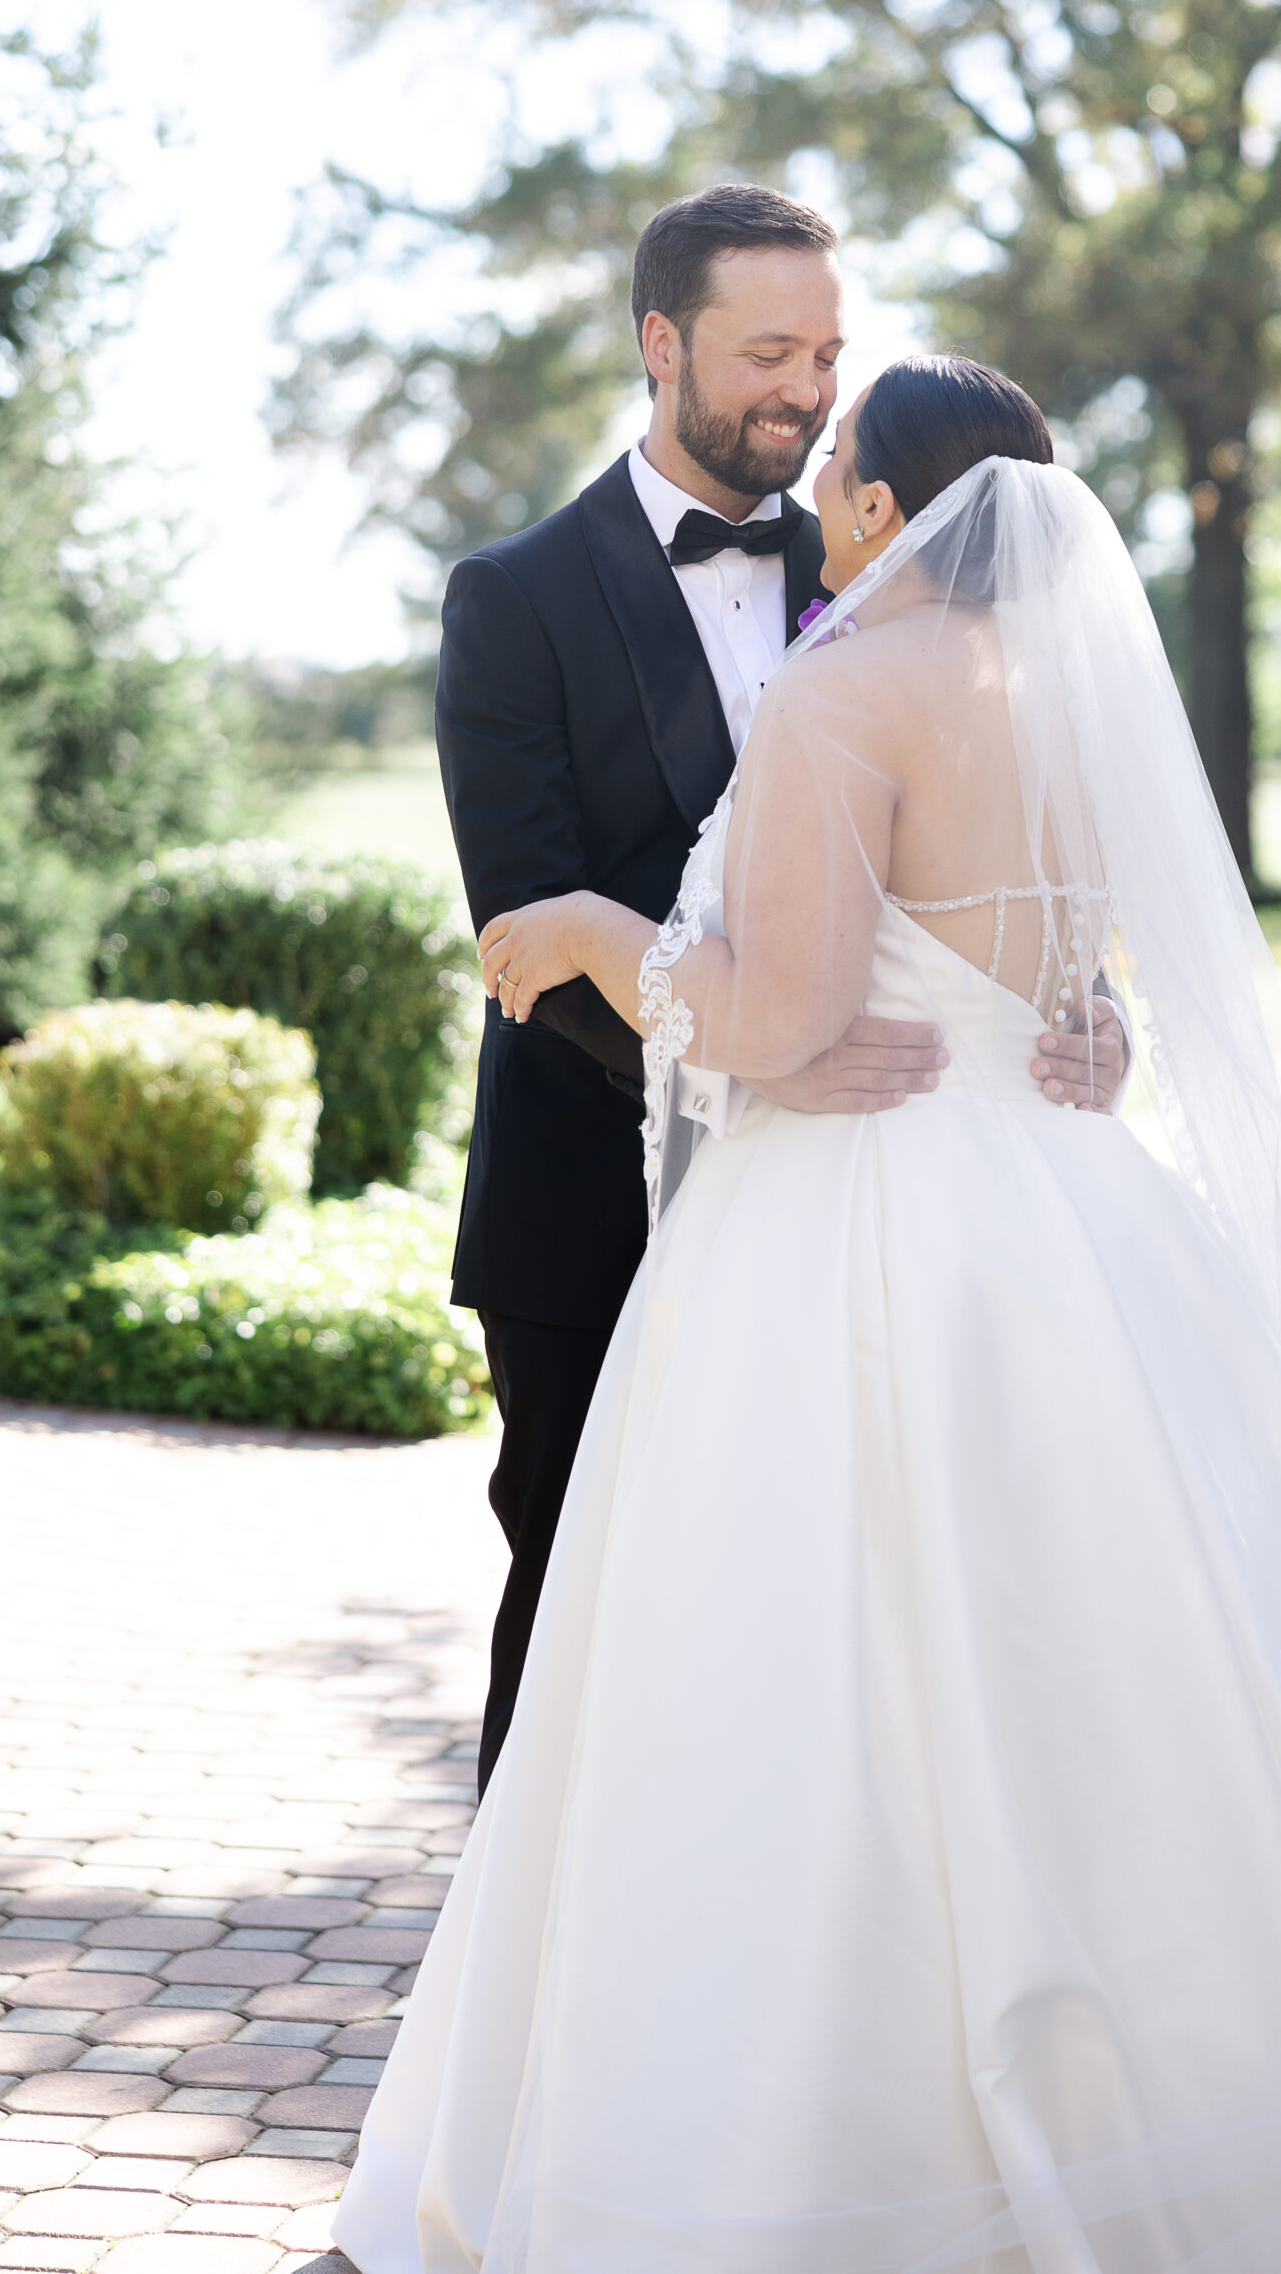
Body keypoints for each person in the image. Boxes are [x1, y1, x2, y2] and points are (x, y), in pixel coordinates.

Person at [338, 357, 1281, 2274]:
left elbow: (783, 1017)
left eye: (842, 459)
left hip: (860, 1234)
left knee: (810, 1669)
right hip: (1061, 1227)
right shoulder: (1065, 697)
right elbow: (1083, 1005)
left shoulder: (841, 688)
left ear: (886, 511)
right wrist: (1081, 1025)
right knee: (1111, 1674)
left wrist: (579, 938)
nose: (821, 485)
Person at [434, 190, 1129, 1795]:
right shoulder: (516, 598)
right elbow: (527, 921)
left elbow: (992, 865)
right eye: (767, 352)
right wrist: (756, 1055)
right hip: (591, 1205)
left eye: (827, 353)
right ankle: (539, 2012)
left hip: (891, 1194)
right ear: (660, 344)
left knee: (871, 1617)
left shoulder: (906, 557)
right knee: (584, 1600)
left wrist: (1080, 1008)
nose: (806, 391)